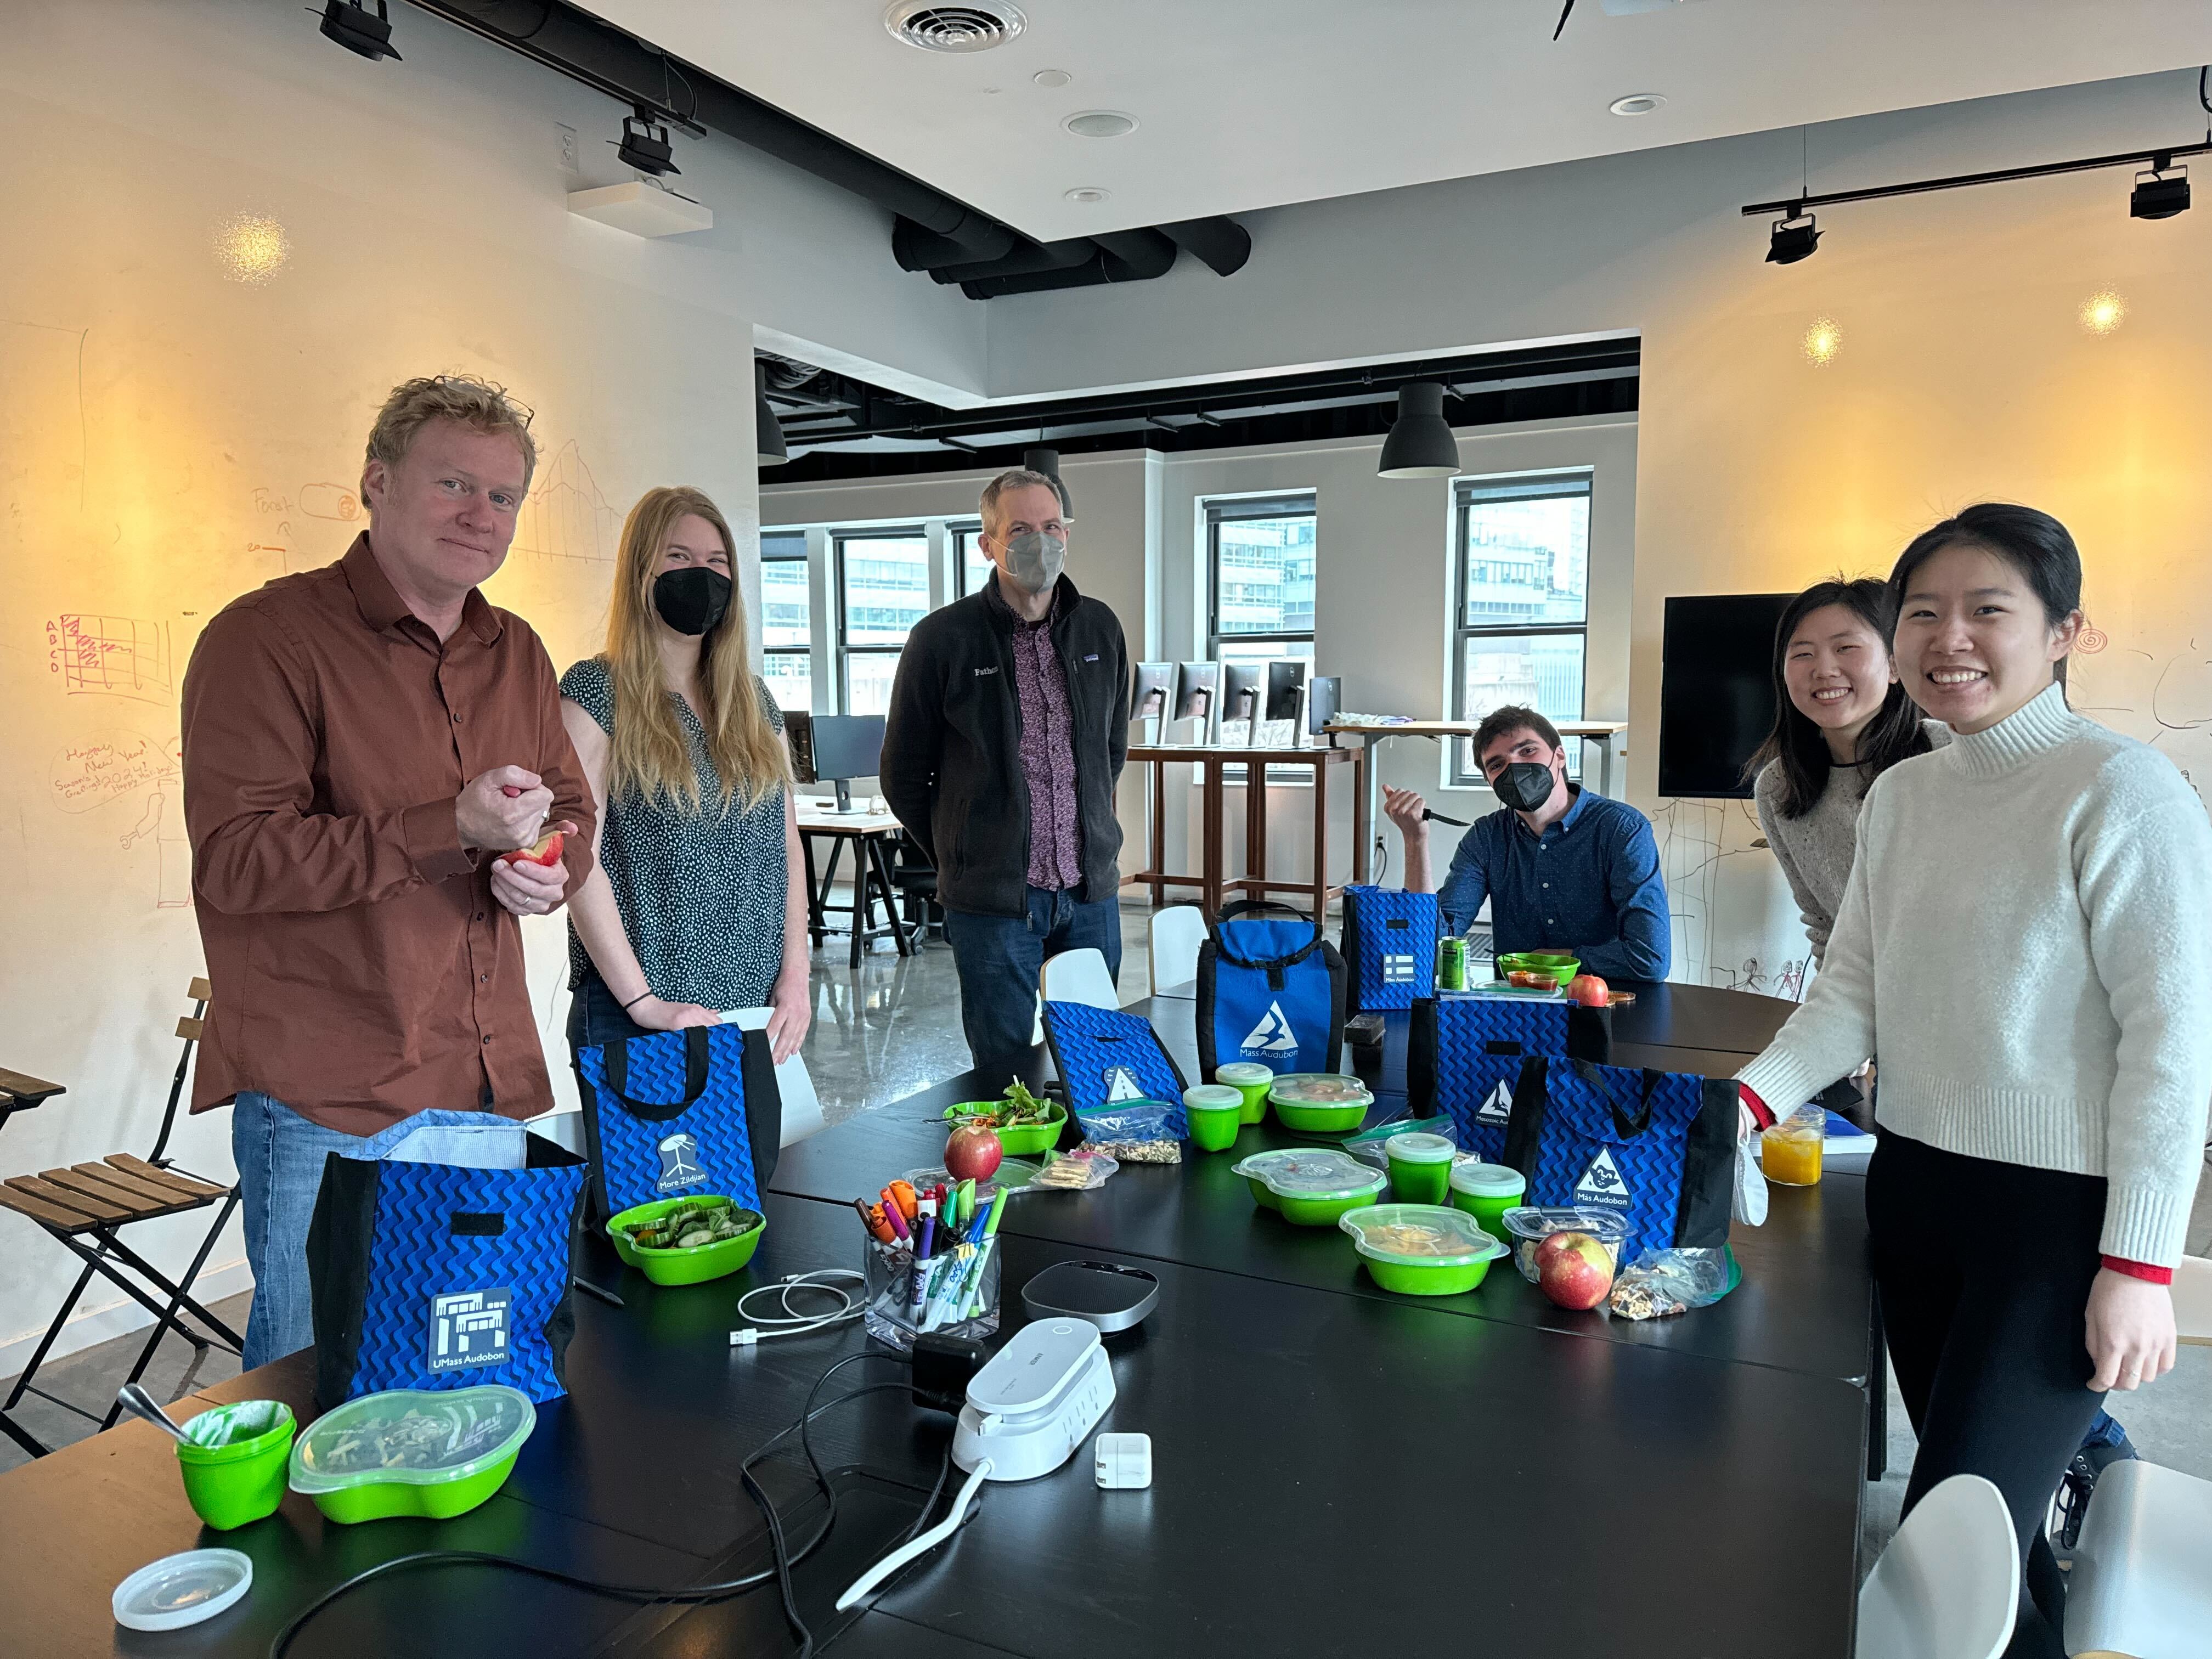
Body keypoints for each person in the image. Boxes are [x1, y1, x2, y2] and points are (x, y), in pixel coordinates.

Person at [1734, 504, 2212, 1658]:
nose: (1949, 637)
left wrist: (2142, 1262)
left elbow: (2174, 1040)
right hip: (1917, 1190)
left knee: (1952, 1527)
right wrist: (1742, 1105)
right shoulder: (1903, 797)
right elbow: (1850, 993)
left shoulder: (2124, 790)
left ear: (2065, 633)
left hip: (2056, 1224)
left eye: (1988, 609)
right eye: (1924, 614)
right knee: (1983, 1549)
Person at [182, 375, 593, 1369]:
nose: (479, 515)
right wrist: (443, 825)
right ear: (376, 482)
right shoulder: (267, 637)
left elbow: (570, 809)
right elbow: (236, 861)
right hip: (335, 1098)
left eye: (502, 497)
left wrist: (552, 870)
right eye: (455, 483)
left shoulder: (517, 649)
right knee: (326, 1395)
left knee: (467, 1374)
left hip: (487, 1078)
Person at [559, 487, 807, 1169]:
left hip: (750, 1015)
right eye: (678, 556)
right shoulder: (597, 693)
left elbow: (784, 848)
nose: (703, 574)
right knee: (661, 1232)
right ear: (643, 574)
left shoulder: (754, 702)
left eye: (718, 561)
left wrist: (797, 975)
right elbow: (575, 857)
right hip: (645, 1017)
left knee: (748, 1208)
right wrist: (644, 1003)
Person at [882, 467, 1130, 1073]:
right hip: (992, 906)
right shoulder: (943, 639)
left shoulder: (1100, 627)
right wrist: (963, 852)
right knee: (1004, 1073)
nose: (1038, 541)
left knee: (1099, 1064)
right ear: (988, 544)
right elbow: (904, 775)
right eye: (1020, 529)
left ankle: (1092, 1168)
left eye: (1050, 527)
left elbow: (1110, 750)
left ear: (1067, 535)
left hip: (1088, 892)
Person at [1384, 705, 1670, 981]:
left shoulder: (1621, 829)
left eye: (1527, 750)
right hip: (1517, 1011)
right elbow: (1429, 950)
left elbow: (1650, 959)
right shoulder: (1486, 838)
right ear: (1490, 782)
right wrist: (1415, 840)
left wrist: (1561, 960)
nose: (1515, 767)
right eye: (1498, 765)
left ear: (1560, 756)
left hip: (1608, 1006)